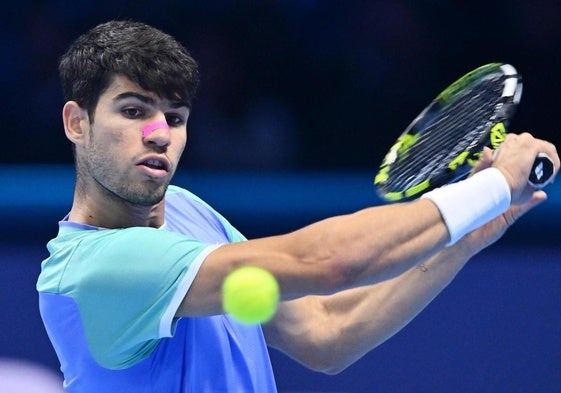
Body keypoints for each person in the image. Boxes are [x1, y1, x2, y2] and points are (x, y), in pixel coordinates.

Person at [37, 20, 559, 393]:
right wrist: (493, 185)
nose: (158, 135)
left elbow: (325, 332)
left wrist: (465, 234)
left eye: (175, 118)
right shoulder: (94, 270)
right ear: (76, 123)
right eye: (133, 111)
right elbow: (329, 263)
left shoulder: (186, 211)